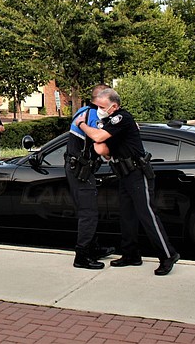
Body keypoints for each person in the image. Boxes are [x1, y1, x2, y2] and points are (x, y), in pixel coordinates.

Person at [74, 88, 180, 276]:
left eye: (102, 106)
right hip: (124, 173)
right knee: (127, 216)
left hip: (137, 172)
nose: (99, 109)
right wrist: (98, 136)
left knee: (147, 215)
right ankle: (131, 254)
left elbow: (98, 138)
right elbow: (101, 149)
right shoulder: (108, 122)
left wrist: (82, 125)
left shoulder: (121, 118)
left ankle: (168, 255)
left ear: (113, 106)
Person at [65, 84, 115, 270]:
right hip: (81, 171)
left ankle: (94, 247)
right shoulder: (92, 116)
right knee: (88, 214)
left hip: (78, 168)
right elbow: (100, 142)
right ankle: (82, 256)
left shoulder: (83, 111)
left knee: (89, 211)